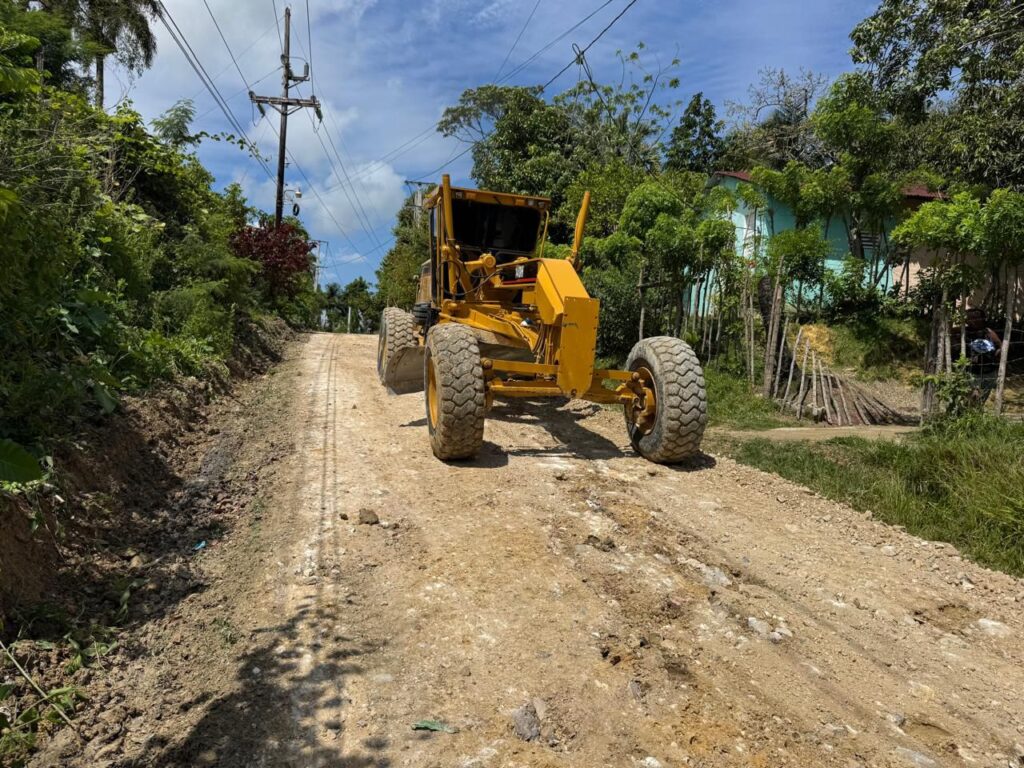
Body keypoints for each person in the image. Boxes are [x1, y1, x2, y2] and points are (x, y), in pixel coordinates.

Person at [963, 307, 1002, 404]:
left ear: (982, 319)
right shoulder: (965, 332)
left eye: (974, 318)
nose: (971, 321)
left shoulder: (989, 333)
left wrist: (995, 356)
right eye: (969, 318)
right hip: (972, 371)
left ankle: (977, 411)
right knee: (972, 397)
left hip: (989, 371)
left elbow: (1000, 346)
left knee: (982, 399)